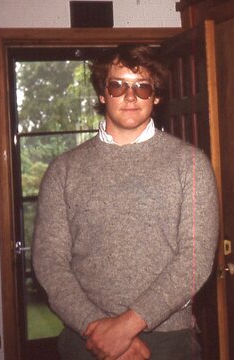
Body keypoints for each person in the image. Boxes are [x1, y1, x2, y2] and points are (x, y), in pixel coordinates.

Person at [33, 44, 220, 360]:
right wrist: (97, 328)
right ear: (102, 94)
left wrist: (125, 327)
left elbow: (195, 260)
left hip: (168, 341)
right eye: (118, 86)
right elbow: (49, 263)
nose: (130, 97)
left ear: (155, 96)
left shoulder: (190, 164)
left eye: (142, 87)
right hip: (86, 341)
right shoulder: (63, 170)